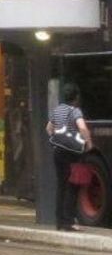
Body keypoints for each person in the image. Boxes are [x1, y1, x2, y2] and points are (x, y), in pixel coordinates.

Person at [47, 82, 92, 231]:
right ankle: (68, 221)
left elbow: (48, 128)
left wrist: (57, 140)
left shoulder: (57, 110)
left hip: (58, 152)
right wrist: (88, 143)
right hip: (71, 153)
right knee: (71, 186)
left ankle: (59, 221)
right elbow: (82, 128)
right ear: (76, 97)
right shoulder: (75, 111)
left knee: (61, 186)